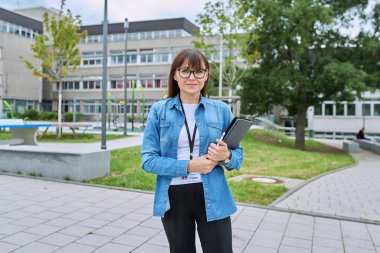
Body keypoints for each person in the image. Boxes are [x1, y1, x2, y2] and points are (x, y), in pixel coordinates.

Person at [141, 48, 243, 253]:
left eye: (199, 71)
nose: (192, 77)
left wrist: (227, 156)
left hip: (214, 193)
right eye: (185, 71)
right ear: (175, 74)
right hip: (174, 195)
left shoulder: (221, 109)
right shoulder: (159, 110)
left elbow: (238, 156)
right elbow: (148, 160)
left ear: (206, 76)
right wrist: (189, 165)